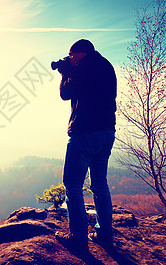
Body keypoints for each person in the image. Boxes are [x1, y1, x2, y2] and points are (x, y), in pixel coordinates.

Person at [55, 39, 117, 251]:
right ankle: (104, 234)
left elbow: (66, 94)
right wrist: (71, 69)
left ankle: (78, 238)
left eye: (71, 56)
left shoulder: (83, 69)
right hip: (107, 132)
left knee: (72, 185)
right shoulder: (106, 66)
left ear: (80, 53)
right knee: (100, 184)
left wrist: (65, 73)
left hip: (85, 133)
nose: (70, 59)